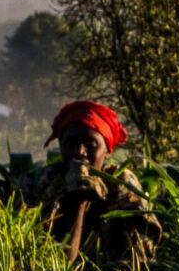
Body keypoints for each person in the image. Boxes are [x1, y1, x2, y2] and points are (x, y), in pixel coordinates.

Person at [20, 99, 159, 261]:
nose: (79, 152)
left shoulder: (122, 184)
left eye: (90, 144)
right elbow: (53, 261)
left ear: (107, 151)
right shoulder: (39, 182)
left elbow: (140, 259)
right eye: (70, 143)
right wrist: (77, 201)